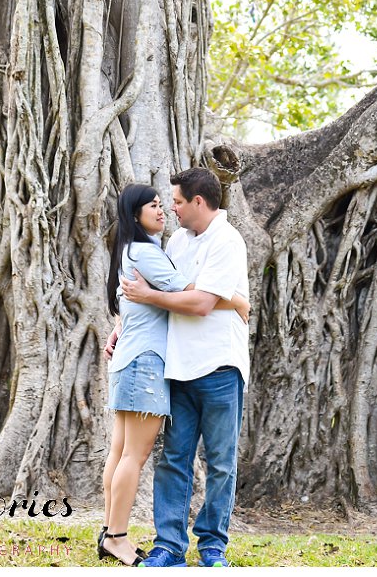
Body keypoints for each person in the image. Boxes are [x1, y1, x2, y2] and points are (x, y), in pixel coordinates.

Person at [99, 184, 248, 566]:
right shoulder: (172, 244)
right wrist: (234, 299)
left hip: (218, 367)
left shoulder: (227, 241)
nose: (170, 210)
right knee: (166, 458)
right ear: (136, 214)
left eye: (175, 202)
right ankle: (165, 544)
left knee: (219, 461)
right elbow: (182, 296)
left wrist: (227, 297)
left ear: (198, 201)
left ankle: (212, 545)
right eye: (158, 204)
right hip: (169, 366)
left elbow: (193, 302)